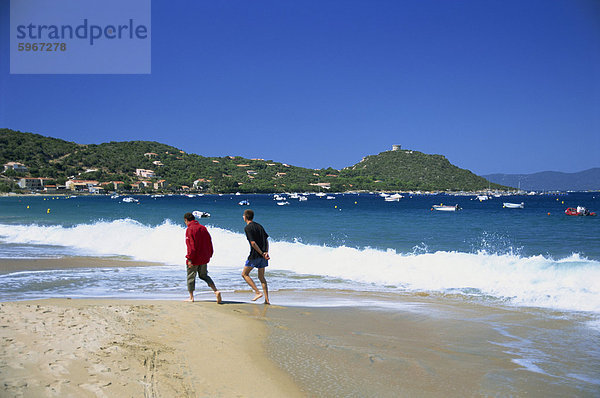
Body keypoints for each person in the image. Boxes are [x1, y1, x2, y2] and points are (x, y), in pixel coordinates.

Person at [183, 212, 221, 303]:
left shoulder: (189, 229)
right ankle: (216, 291)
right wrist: (210, 254)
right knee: (204, 275)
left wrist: (189, 258)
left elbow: (191, 246)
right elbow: (209, 242)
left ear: (186, 220)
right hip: (204, 257)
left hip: (194, 258)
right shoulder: (203, 228)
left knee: (191, 277)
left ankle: (191, 297)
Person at [242, 209, 270, 304]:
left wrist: (261, 253)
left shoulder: (248, 228)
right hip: (263, 256)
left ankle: (257, 292)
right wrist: (266, 252)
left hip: (255, 255)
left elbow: (253, 243)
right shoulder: (259, 226)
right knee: (262, 277)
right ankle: (267, 300)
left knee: (245, 274)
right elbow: (266, 240)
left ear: (245, 217)